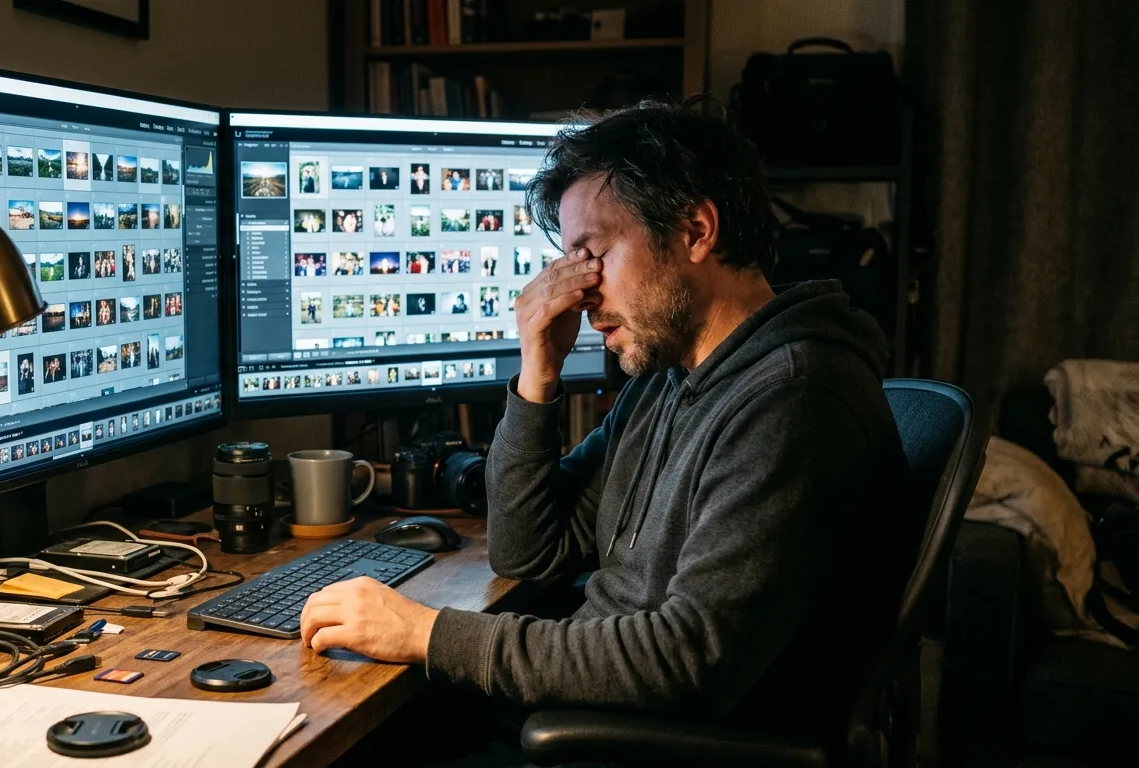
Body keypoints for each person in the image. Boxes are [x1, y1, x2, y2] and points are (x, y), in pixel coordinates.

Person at [298, 98, 916, 754]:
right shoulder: (666, 381)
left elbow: (684, 661)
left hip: (648, 744)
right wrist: (538, 374)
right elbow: (529, 550)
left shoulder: (793, 399)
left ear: (696, 231)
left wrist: (424, 634)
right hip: (591, 716)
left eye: (593, 255)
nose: (581, 291)